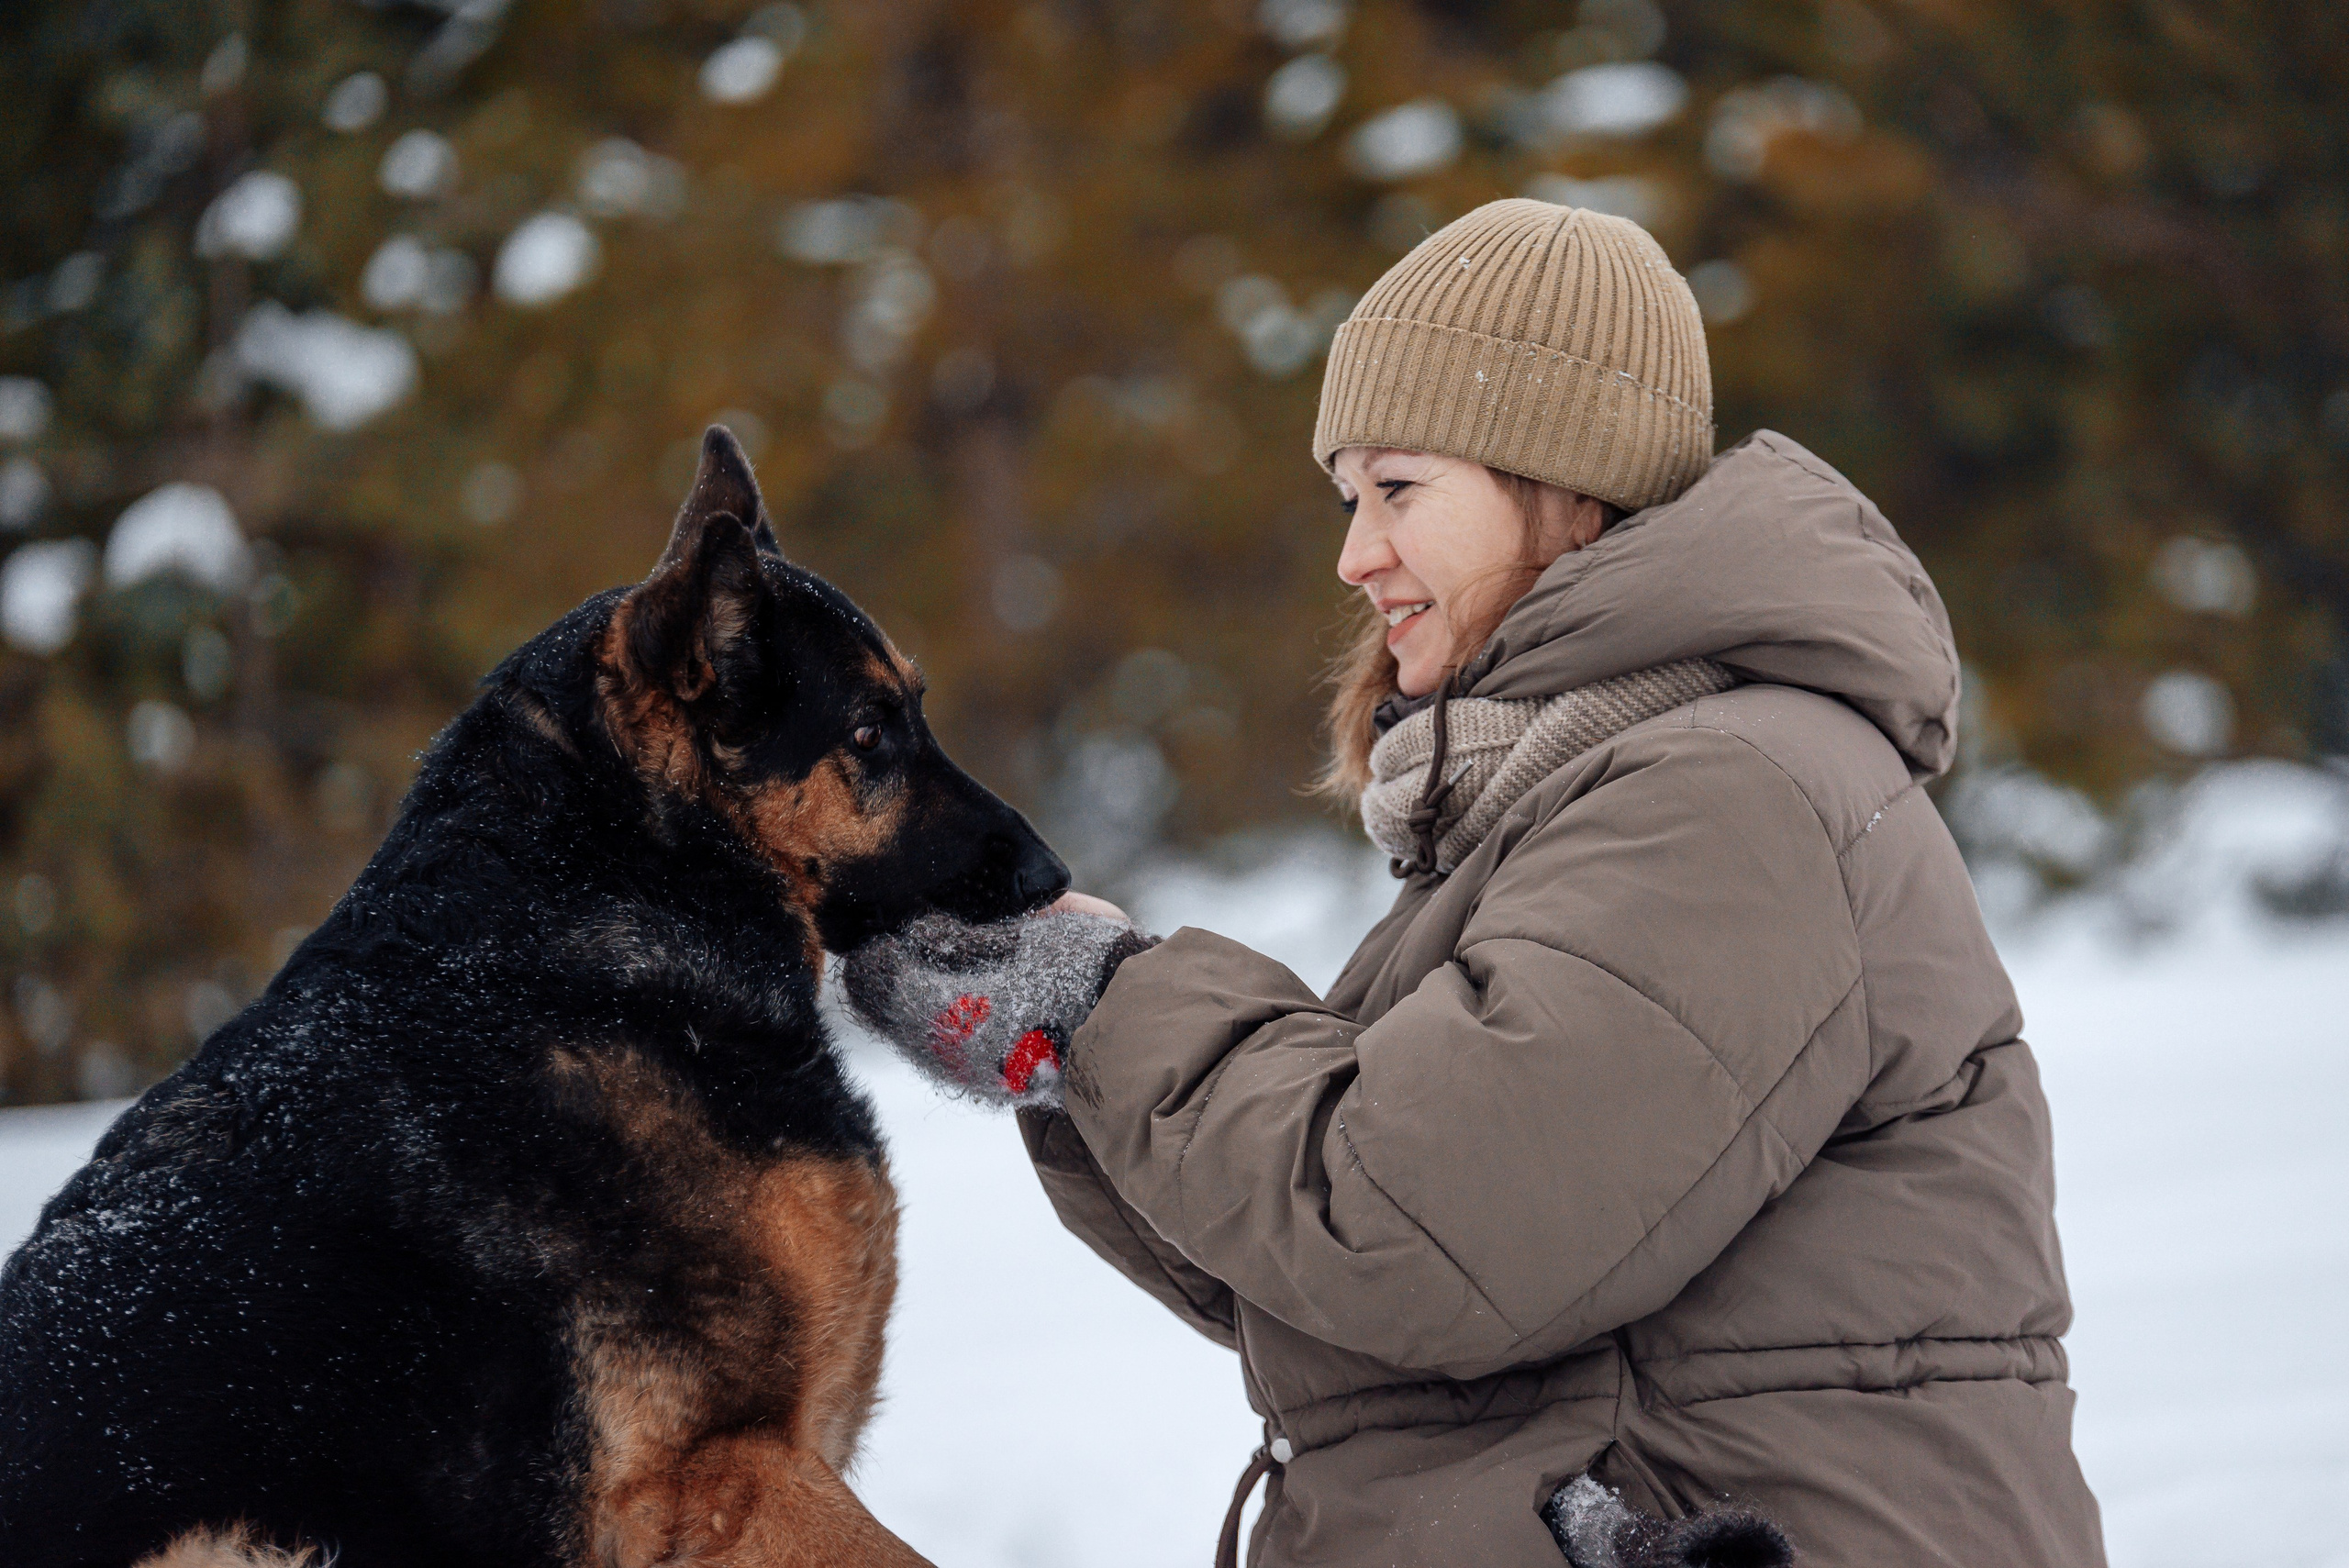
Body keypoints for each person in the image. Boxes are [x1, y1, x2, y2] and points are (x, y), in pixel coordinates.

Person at [880, 198, 2110, 1567]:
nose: (1356, 554)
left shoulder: (1729, 798)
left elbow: (1413, 1230)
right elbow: (1326, 1288)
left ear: (1565, 484)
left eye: (1400, 490)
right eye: (1348, 497)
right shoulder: (1569, 798)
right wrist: (1079, 1056)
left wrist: (1121, 1003)